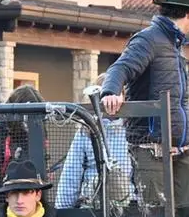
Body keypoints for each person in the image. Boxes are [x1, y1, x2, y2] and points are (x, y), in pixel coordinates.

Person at [99, 0, 189, 217]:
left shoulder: (174, 45)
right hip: (151, 149)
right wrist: (111, 92)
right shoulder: (148, 40)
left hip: (182, 149)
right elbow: (120, 68)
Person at [55, 73, 135, 209]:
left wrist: (138, 207)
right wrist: (63, 211)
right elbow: (71, 174)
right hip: (92, 206)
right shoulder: (85, 132)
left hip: (127, 206)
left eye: (116, 94)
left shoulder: (132, 131)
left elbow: (138, 174)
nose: (110, 100)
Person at [0, 85, 42, 190]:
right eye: (27, 117)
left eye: (37, 116)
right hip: (2, 200)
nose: (31, 122)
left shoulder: (34, 137)